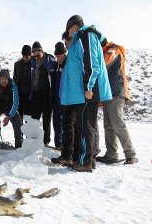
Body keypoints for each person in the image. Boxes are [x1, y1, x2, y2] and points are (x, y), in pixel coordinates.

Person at [52, 15, 112, 172]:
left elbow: (91, 63)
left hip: (89, 90)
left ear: (73, 27)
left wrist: (88, 87)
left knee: (85, 127)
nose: (68, 34)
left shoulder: (87, 35)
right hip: (85, 90)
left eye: (68, 31)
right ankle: (86, 160)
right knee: (84, 126)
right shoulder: (81, 38)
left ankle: (86, 162)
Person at [96, 41, 138, 164]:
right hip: (108, 94)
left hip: (116, 92)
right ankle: (111, 154)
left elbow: (106, 62)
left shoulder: (112, 49)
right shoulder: (104, 51)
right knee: (108, 125)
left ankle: (131, 154)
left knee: (118, 124)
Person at [29, 41, 56, 146]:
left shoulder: (50, 61)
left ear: (42, 51)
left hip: (47, 94)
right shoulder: (32, 61)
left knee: (46, 119)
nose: (36, 58)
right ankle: (34, 140)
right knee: (34, 118)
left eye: (38, 55)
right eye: (34, 56)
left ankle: (46, 141)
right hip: (36, 94)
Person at [51, 42, 67, 150]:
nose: (58, 58)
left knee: (66, 123)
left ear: (64, 54)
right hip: (56, 98)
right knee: (56, 122)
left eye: (60, 56)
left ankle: (67, 146)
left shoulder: (69, 64)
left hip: (66, 98)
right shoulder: (55, 65)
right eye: (56, 56)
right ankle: (58, 145)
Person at [13, 45, 32, 120]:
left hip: (29, 97)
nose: (25, 58)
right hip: (19, 96)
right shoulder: (17, 64)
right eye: (24, 56)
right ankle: (19, 132)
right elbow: (15, 79)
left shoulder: (34, 64)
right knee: (19, 120)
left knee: (29, 120)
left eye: (27, 56)